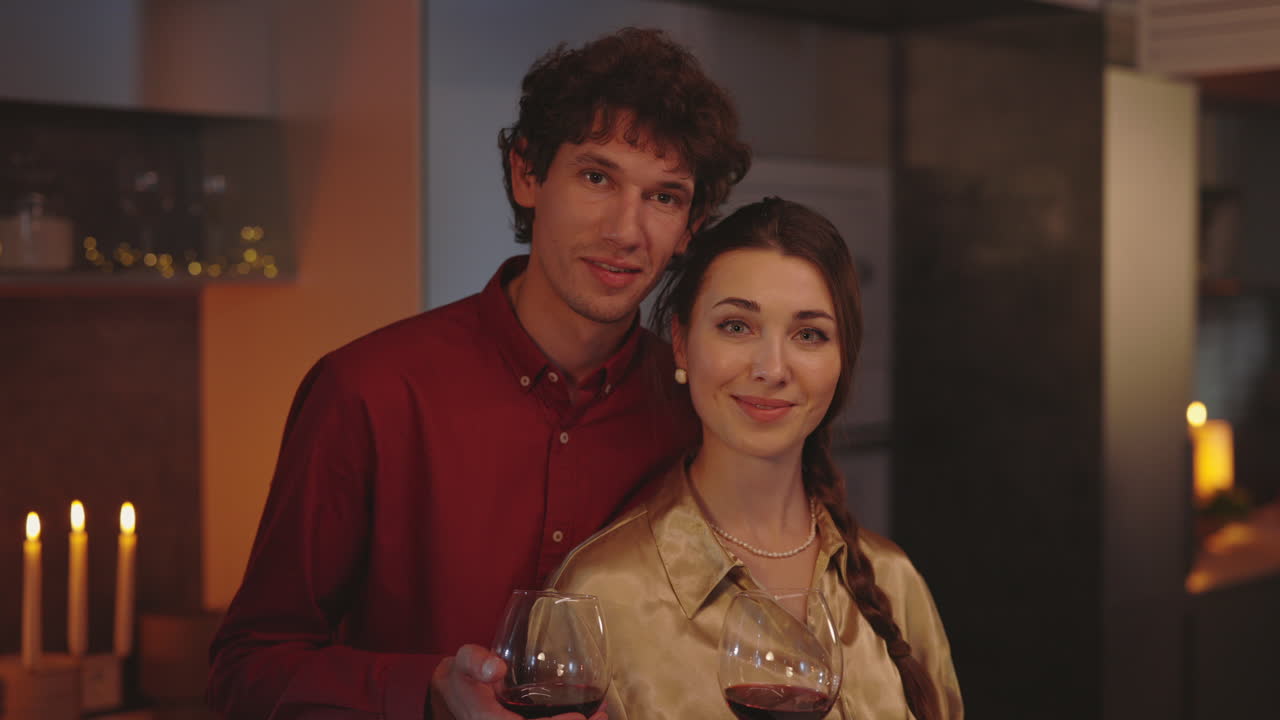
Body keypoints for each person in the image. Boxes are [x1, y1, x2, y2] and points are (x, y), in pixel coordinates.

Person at [206, 27, 751, 720]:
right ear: (528, 174)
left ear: (691, 225)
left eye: (664, 197)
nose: (627, 230)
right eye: (596, 177)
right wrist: (428, 689)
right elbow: (247, 669)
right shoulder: (368, 391)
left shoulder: (692, 413)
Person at [549, 198, 963, 719]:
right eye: (737, 326)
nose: (771, 367)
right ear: (680, 344)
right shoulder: (599, 594)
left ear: (841, 361)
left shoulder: (894, 580)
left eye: (808, 334)